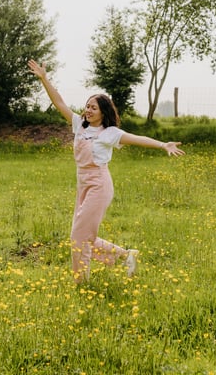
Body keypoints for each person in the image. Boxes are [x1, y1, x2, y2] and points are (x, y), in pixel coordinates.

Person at [28, 59, 185, 283]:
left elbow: (137, 139)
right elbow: (59, 102)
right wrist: (44, 79)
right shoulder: (79, 125)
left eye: (94, 107)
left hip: (99, 185)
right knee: (82, 234)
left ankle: (81, 282)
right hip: (82, 184)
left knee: (79, 235)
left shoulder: (109, 132)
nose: (88, 110)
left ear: (103, 112)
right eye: (87, 106)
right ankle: (125, 255)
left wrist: (162, 145)